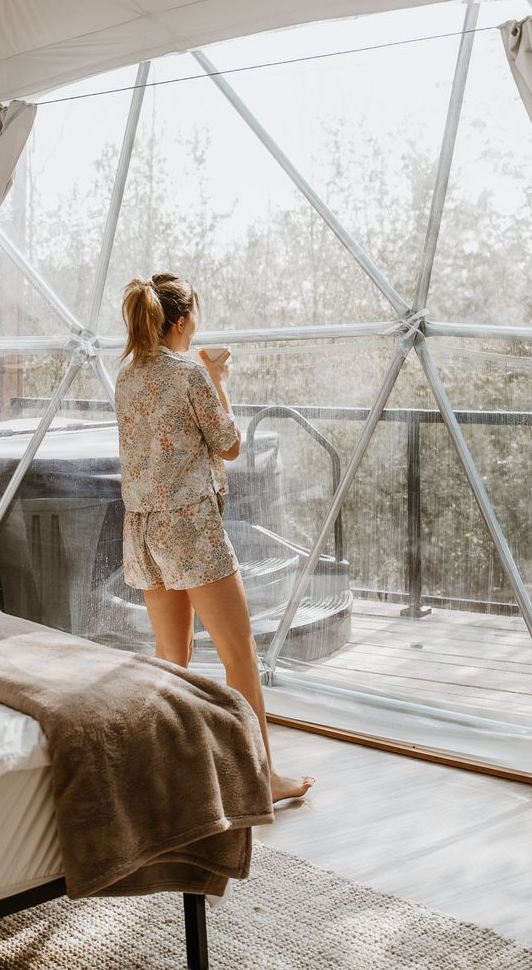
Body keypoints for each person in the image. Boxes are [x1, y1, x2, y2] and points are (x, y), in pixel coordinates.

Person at [116, 272, 314, 804]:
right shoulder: (189, 374)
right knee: (239, 654)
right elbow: (229, 446)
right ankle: (261, 778)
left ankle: (167, 775)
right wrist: (218, 377)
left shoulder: (128, 374)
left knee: (170, 657)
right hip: (189, 530)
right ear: (180, 322)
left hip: (142, 530)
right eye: (195, 317)